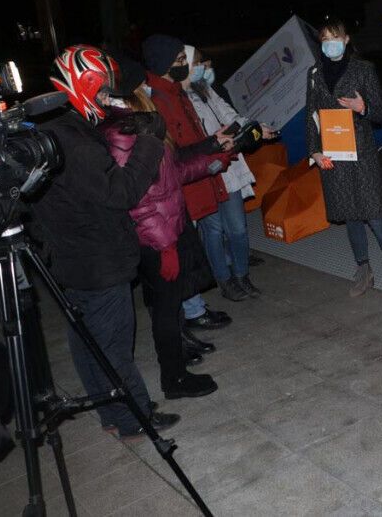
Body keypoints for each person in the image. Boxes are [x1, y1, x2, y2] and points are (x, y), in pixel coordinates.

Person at [30, 45, 179, 438]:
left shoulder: (53, 129)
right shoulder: (73, 142)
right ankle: (135, 418)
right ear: (84, 84)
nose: (105, 99)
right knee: (113, 344)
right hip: (98, 260)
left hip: (74, 259)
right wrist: (149, 141)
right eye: (100, 91)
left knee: (86, 340)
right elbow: (122, 193)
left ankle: (112, 415)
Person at [100, 80, 221, 400]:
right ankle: (174, 379)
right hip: (156, 240)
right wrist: (165, 245)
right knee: (165, 311)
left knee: (171, 307)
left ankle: (178, 367)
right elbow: (137, 200)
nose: (148, 87)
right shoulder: (122, 134)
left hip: (169, 230)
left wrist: (210, 163)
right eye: (141, 83)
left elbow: (171, 176)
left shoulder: (143, 126)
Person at [141, 34, 246, 318]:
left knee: (194, 243)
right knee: (187, 246)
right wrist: (212, 150)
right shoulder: (160, 99)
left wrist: (213, 145)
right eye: (179, 61)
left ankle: (195, 307)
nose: (184, 66)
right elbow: (175, 153)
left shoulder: (174, 93)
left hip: (199, 171)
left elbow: (190, 140)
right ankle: (192, 311)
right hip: (182, 183)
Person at [305, 18, 382, 303]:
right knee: (350, 215)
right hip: (333, 154)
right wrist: (314, 149)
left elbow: (381, 114)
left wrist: (364, 107)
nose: (330, 44)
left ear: (347, 39)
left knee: (375, 214)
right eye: (325, 39)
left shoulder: (364, 69)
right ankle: (364, 270)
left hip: (361, 153)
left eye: (335, 38)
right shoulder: (314, 73)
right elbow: (310, 115)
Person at [184, 45, 272, 298]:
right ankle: (224, 280)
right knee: (213, 230)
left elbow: (230, 115)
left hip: (228, 166)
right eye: (197, 64)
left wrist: (254, 128)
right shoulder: (179, 100)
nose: (203, 68)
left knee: (238, 228)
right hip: (204, 171)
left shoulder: (206, 90)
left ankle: (242, 275)